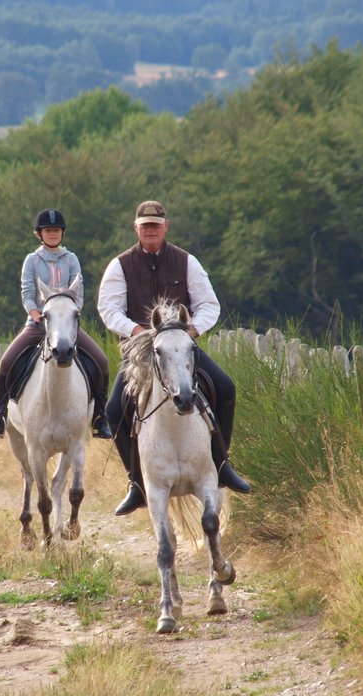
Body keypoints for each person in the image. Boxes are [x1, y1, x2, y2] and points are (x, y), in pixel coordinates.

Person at [97, 200, 251, 516]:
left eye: (156, 224)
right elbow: (108, 309)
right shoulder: (120, 265)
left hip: (181, 347)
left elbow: (209, 304)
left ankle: (222, 463)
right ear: (135, 227)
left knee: (225, 387)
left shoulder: (187, 261)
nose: (151, 230)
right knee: (114, 408)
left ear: (166, 226)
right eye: (145, 225)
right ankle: (137, 483)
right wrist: (137, 331)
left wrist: (192, 331)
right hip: (141, 351)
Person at [0, 208, 113, 440]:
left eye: (56, 230)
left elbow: (79, 294)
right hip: (38, 323)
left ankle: (100, 417)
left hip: (67, 325)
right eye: (48, 231)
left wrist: (69, 315)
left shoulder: (71, 259)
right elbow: (27, 293)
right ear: (39, 234)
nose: (52, 234)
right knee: (6, 361)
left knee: (102, 361)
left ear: (62, 233)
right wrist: (36, 314)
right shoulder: (32, 260)